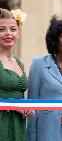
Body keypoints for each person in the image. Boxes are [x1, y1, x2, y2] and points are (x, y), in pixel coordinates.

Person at [0, 8, 34, 141]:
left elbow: (20, 96)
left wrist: (27, 107)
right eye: (2, 29)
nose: (8, 33)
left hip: (18, 124)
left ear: (18, 33)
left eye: (13, 29)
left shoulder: (19, 63)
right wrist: (13, 105)